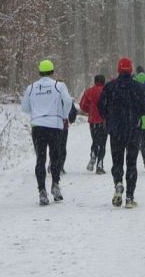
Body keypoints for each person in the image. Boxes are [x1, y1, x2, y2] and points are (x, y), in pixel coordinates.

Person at [98, 57, 145, 209]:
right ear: (131, 70)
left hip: (116, 130)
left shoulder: (110, 87)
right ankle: (129, 197)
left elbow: (101, 106)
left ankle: (118, 184)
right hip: (133, 129)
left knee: (117, 161)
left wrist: (109, 117)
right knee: (132, 162)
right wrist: (137, 114)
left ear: (118, 70)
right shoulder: (138, 87)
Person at [21, 60, 73, 206]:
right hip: (55, 126)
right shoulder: (58, 85)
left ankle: (42, 191)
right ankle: (55, 185)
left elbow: (24, 108)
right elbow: (68, 101)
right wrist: (63, 115)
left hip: (38, 126)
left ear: (39, 72)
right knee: (55, 157)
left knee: (40, 159)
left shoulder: (31, 88)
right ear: (52, 71)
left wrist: (37, 112)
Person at [79, 74, 107, 174]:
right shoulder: (106, 91)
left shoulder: (89, 91)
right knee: (102, 142)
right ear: (104, 81)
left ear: (95, 81)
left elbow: (82, 105)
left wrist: (89, 110)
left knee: (95, 139)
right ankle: (100, 164)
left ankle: (93, 155)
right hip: (104, 120)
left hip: (93, 120)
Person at [47, 101, 77, 175]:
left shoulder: (50, 94)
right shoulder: (64, 95)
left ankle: (52, 161)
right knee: (62, 146)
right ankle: (60, 166)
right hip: (63, 125)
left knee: (53, 145)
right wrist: (71, 119)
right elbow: (73, 109)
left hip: (51, 124)